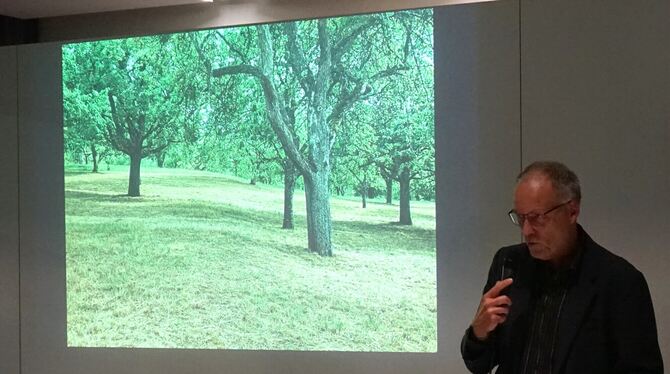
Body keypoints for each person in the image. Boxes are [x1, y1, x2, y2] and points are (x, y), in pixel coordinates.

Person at [461, 161, 663, 374]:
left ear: (572, 211)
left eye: (537, 217)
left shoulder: (619, 281)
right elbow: (479, 364)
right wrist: (479, 333)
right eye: (521, 218)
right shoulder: (508, 263)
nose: (527, 230)